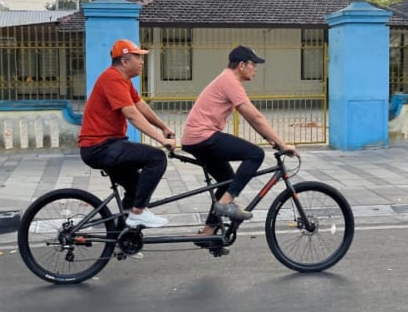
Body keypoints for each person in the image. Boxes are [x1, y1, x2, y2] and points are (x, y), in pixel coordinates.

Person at [181, 45, 297, 237]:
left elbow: (251, 119)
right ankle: (225, 203)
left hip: (197, 138)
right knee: (255, 154)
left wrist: (271, 139)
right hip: (203, 137)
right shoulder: (230, 80)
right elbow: (255, 117)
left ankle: (208, 232)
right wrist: (282, 144)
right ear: (242, 65)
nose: (256, 69)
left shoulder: (227, 79)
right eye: (254, 64)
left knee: (227, 180)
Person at [79, 39, 176, 228]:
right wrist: (161, 140)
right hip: (100, 147)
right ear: (124, 61)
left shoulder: (123, 80)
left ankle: (122, 238)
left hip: (109, 145)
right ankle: (138, 213)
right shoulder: (112, 78)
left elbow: (140, 106)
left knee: (135, 189)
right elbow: (132, 114)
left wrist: (164, 127)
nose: (141, 62)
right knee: (156, 158)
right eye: (138, 57)